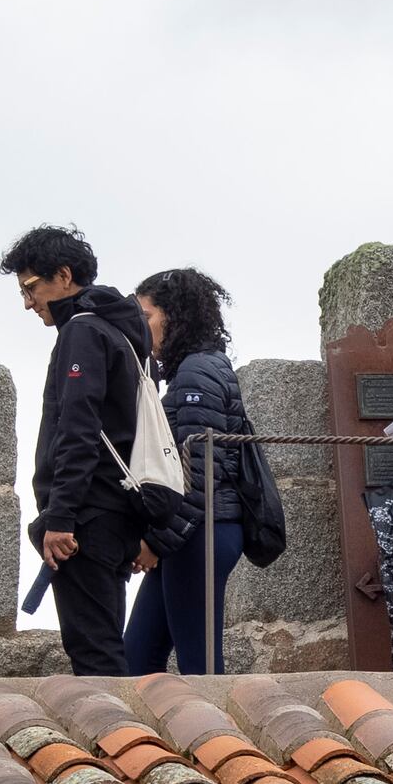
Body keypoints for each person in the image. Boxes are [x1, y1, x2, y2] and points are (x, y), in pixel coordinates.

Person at [6, 227, 151, 675]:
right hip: (118, 510)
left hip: (87, 517)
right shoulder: (121, 330)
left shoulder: (82, 333)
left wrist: (61, 518)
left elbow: (78, 430)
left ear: (64, 275)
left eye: (32, 288)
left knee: (94, 654)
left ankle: (118, 744)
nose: (28, 303)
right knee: (104, 642)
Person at [122, 267, 275, 676]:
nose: (141, 327)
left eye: (147, 316)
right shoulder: (196, 369)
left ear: (174, 316)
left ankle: (221, 741)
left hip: (202, 531)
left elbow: (198, 474)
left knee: (200, 667)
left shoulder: (198, 373)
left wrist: (154, 541)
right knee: (136, 657)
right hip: (190, 534)